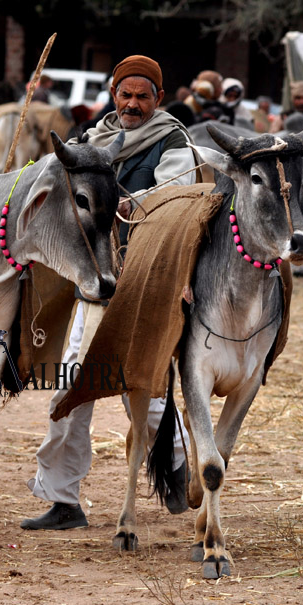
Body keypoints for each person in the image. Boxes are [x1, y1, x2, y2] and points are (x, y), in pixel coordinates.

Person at [21, 55, 197, 531]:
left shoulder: (173, 141)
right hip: (91, 284)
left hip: (144, 282)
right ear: (113, 94)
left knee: (141, 386)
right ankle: (63, 500)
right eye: (126, 94)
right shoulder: (87, 141)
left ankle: (180, 466)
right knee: (72, 386)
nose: (133, 104)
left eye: (143, 96)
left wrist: (128, 205)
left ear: (158, 99)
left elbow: (177, 199)